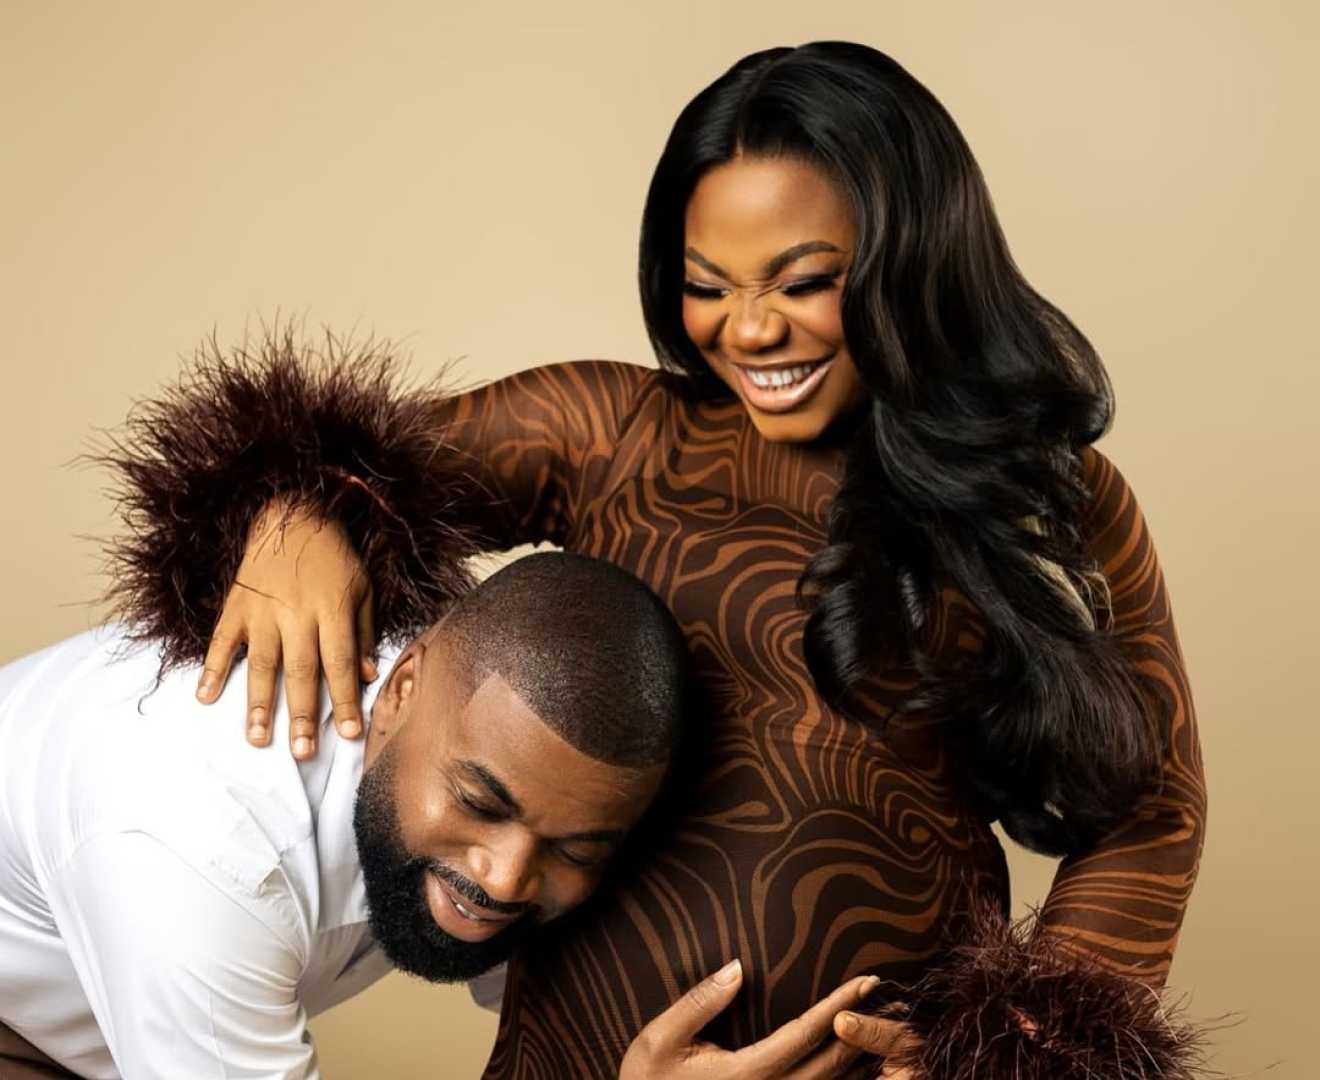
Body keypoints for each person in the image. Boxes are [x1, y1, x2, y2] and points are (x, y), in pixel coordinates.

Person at [99, 42, 1209, 1080]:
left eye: (802, 281)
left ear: (913, 258)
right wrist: (292, 512)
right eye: (708, 285)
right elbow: (350, 470)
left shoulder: (1046, 500)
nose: (751, 331)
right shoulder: (615, 431)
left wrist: (1014, 1055)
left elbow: (1150, 814)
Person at [3, 553, 887, 1079]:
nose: (506, 878)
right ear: (400, 689)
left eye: (575, 848)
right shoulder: (197, 853)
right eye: (480, 803)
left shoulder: (463, 727)